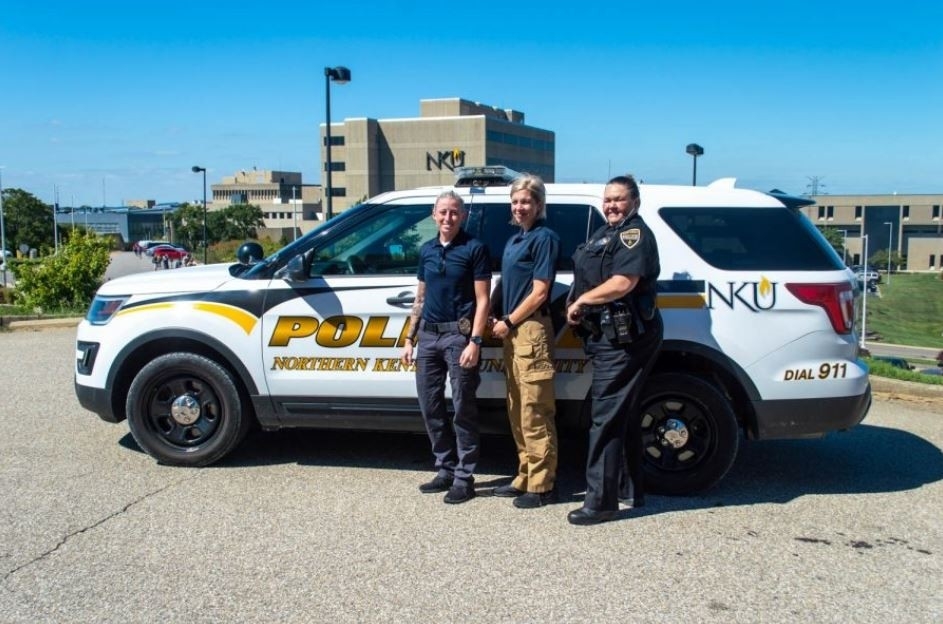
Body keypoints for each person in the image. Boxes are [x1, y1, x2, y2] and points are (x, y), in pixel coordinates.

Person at [565, 174, 663, 525]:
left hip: (624, 338)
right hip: (606, 335)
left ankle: (601, 502)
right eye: (608, 199)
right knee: (622, 412)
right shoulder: (603, 233)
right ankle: (628, 489)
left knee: (604, 417)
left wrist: (582, 302)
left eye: (619, 199)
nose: (611, 205)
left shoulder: (634, 234)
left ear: (634, 201)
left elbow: (624, 282)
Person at [401, 190, 492, 504]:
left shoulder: (474, 249)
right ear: (433, 214)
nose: (448, 218)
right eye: (443, 212)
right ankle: (445, 468)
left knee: (463, 408)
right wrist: (409, 338)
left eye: (454, 212)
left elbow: (483, 300)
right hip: (428, 336)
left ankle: (464, 478)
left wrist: (476, 341)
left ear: (462, 215)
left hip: (459, 337)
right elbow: (421, 298)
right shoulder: (426, 250)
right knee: (430, 405)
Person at [490, 174, 561, 509]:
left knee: (535, 409)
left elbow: (540, 292)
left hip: (530, 330)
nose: (520, 207)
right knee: (516, 407)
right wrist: (492, 315)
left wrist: (508, 321)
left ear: (539, 205)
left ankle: (543, 485)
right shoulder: (515, 240)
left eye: (526, 202)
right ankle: (524, 474)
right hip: (512, 332)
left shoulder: (543, 238)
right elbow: (507, 284)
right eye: (516, 201)